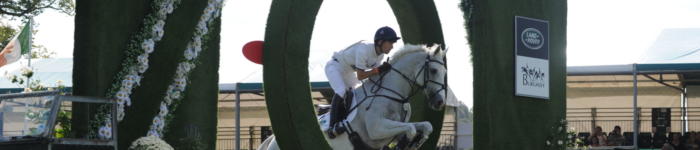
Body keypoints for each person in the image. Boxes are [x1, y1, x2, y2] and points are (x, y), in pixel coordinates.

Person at [325, 26, 400, 138]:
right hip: (335, 66)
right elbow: (361, 76)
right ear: (380, 42)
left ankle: (345, 120)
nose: (392, 46)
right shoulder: (364, 49)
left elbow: (374, 76)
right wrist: (378, 70)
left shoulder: (380, 56)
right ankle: (332, 128)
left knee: (356, 92)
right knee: (341, 90)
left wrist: (385, 72)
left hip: (349, 72)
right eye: (390, 42)